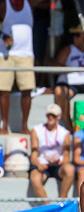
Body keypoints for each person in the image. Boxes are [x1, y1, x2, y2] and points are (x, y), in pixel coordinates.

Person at [54, 26, 84, 128]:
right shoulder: (68, 50)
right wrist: (72, 69)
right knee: (60, 92)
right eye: (74, 35)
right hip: (72, 83)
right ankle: (69, 127)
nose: (74, 38)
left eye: (77, 35)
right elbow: (56, 66)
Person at [0, 0, 35, 134]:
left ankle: (25, 126)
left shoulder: (29, 3)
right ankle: (4, 126)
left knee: (27, 90)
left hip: (26, 53)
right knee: (4, 90)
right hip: (5, 54)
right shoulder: (4, 4)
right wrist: (3, 36)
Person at [29, 104, 74, 198]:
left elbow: (66, 157)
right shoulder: (36, 130)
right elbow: (34, 155)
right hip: (42, 164)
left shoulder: (64, 133)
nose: (50, 117)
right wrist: (38, 165)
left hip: (58, 165)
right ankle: (48, 205)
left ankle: (62, 200)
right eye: (49, 115)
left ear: (58, 117)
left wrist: (59, 162)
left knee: (70, 169)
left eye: (53, 115)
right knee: (35, 178)